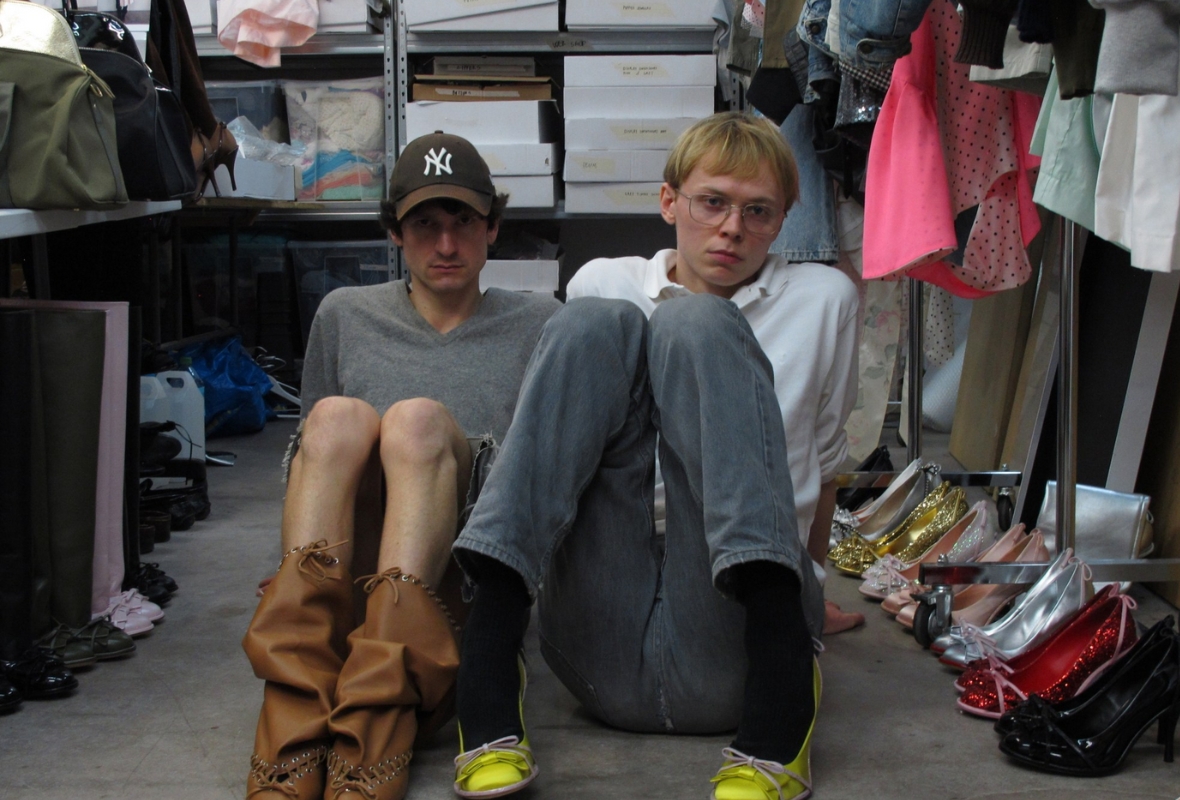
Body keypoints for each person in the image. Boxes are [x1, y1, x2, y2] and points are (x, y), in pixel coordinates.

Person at [449, 111, 859, 800]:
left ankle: (785, 685)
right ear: (670, 201)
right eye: (712, 202)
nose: (732, 228)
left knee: (696, 323)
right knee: (594, 323)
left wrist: (809, 589)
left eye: (757, 211)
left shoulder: (824, 300)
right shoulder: (601, 282)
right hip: (602, 641)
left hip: (741, 635)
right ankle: (490, 657)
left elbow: (822, 460)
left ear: (784, 220)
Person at [241, 131, 560, 800]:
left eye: (463, 222)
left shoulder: (540, 324)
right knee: (335, 418)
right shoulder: (344, 315)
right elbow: (313, 465)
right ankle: (294, 718)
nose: (445, 244)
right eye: (424, 225)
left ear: (493, 228)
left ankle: (377, 719)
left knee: (416, 421)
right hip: (344, 595)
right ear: (394, 232)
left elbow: (543, 486)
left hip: (457, 602)